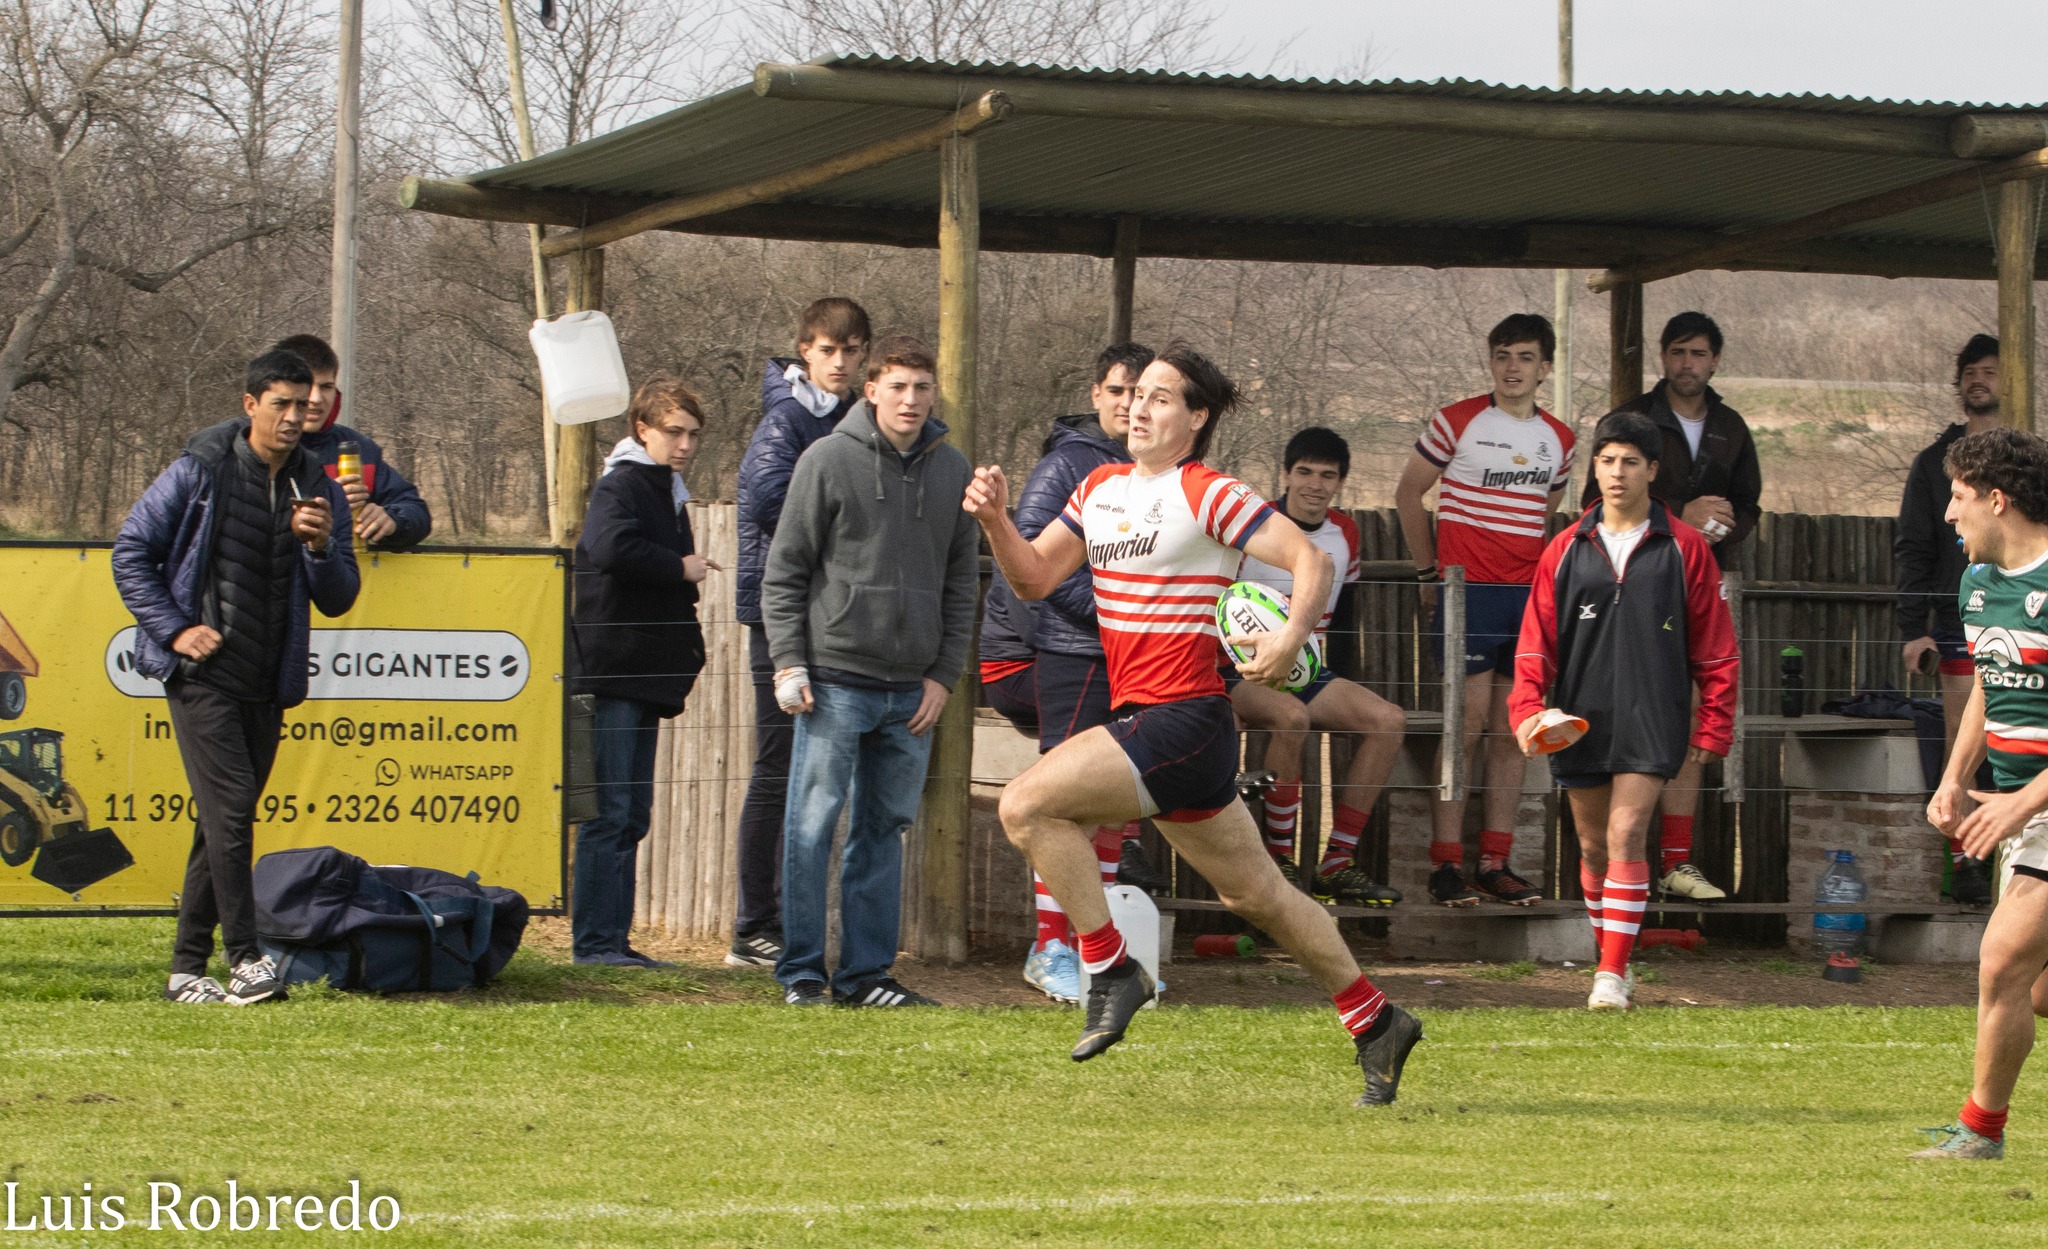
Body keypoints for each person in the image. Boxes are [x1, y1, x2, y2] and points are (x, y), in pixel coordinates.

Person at [964, 343, 1424, 1107]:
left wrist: (1287, 639)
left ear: (1197, 418)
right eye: (1135, 394)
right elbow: (1035, 577)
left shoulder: (1206, 491)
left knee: (1026, 804)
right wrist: (996, 520)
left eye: (1161, 397)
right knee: (1261, 898)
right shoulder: (1099, 489)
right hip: (1157, 723)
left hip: (1186, 718)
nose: (1140, 407)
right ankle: (1376, 1018)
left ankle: (1111, 967)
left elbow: (1310, 559)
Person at [112, 351, 360, 1005]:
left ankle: (185, 968)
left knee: (225, 817)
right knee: (231, 811)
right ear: (250, 404)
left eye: (303, 406)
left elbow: (339, 596)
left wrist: (320, 545)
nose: (293, 417)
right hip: (202, 675)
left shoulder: (318, 484)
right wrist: (173, 627)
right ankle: (246, 958)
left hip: (267, 678)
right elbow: (131, 548)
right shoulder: (201, 468)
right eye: (279, 403)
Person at [762, 335, 977, 1008]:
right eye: (898, 385)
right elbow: (785, 570)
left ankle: (864, 977)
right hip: (833, 681)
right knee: (810, 825)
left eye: (922, 387)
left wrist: (943, 675)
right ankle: (801, 972)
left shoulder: (952, 471)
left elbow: (963, 583)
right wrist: (789, 662)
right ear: (872, 389)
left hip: (912, 692)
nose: (911, 399)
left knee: (882, 833)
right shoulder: (825, 460)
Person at [1510, 411, 1738, 1011]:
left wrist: (1715, 722)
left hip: (1653, 716)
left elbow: (1716, 648)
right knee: (1591, 848)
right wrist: (1527, 711)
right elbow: (1535, 643)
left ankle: (1609, 974)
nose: (1617, 472)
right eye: (1607, 460)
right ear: (1594, 467)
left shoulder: (1685, 548)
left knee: (1626, 831)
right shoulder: (1564, 549)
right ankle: (1612, 957)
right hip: (1578, 719)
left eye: (1631, 462)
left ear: (1652, 471)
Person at [977, 342, 1164, 1004]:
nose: (1128, 403)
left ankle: (1103, 954)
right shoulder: (1067, 464)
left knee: (1108, 805)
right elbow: (1035, 568)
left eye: (1141, 393)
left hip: (1125, 662)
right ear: (1096, 393)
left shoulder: (1144, 470)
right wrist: (1118, 617)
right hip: (1072, 654)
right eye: (1118, 390)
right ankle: (1050, 947)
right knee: (1061, 807)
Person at [1394, 313, 1574, 907]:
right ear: (1490, 362)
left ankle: (1495, 862)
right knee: (1462, 731)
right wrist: (1429, 573)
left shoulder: (1562, 440)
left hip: (1525, 601)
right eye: (1502, 355)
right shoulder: (1457, 421)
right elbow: (1407, 493)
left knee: (1512, 734)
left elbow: (1543, 517)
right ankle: (1446, 866)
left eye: (1525, 357)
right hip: (1467, 593)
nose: (1512, 367)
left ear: (1544, 367)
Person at [1581, 312, 1759, 903]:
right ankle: (1611, 866)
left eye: (1699, 354)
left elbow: (1749, 502)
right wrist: (1680, 513)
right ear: (1663, 357)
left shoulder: (1731, 426)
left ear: (1715, 361)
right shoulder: (1632, 421)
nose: (1688, 363)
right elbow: (1594, 501)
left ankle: (1678, 862)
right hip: (1632, 582)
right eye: (1678, 352)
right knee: (1621, 714)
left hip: (1702, 578)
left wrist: (1723, 527)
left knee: (1687, 711)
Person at [1913, 427, 2048, 1162]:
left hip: (2039, 808)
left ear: (1998, 499)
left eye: (1959, 498)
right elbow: (1988, 689)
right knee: (2032, 992)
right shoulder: (1979, 583)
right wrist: (1956, 778)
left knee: (2000, 961)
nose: (1947, 515)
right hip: (2025, 808)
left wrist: (2021, 801)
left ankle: (1979, 1133)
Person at [729, 298, 870, 969]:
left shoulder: (851, 416)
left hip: (834, 617)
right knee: (777, 766)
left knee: (812, 775)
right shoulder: (787, 417)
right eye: (827, 350)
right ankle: (755, 925)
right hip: (778, 616)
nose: (839, 362)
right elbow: (761, 499)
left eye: (850, 350)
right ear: (804, 350)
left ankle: (790, 921)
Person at [568, 376, 713, 968]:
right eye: (673, 431)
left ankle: (612, 940)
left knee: (630, 813)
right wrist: (679, 569)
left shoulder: (663, 487)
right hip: (608, 675)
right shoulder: (621, 483)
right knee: (606, 812)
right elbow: (608, 547)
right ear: (642, 430)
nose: (683, 444)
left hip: (639, 675)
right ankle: (595, 945)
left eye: (693, 434)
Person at [1230, 427, 1405, 907]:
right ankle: (1279, 857)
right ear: (1285, 474)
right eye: (1304, 471)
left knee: (1388, 721)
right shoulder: (1253, 525)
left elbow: (1344, 615)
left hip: (1306, 672)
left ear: (1340, 483)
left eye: (1328, 475)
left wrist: (1345, 681)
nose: (1315, 484)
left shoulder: (1345, 533)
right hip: (1240, 673)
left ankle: (1336, 864)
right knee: (1291, 718)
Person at [1897, 334, 2003, 907]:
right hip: (1957, 616)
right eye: (1970, 371)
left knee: (2019, 735)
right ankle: (1961, 859)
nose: (1978, 379)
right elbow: (1914, 546)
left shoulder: (2029, 461)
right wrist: (1915, 626)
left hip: (2026, 610)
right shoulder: (1933, 463)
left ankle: (2009, 852)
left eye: (1989, 370)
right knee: (1966, 737)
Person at [270, 334, 433, 551]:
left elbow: (417, 512)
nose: (317, 399)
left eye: (326, 386)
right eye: (307, 386)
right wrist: (330, 501)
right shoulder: (255, 448)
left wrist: (391, 520)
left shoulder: (359, 451)